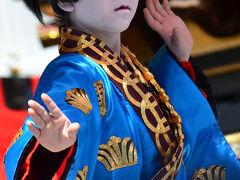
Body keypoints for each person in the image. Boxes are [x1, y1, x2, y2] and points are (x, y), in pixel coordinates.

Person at [4, 0, 240, 179]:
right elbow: (55, 144)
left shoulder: (122, 61)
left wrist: (179, 56)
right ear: (66, 1)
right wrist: (52, 151)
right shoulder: (72, 73)